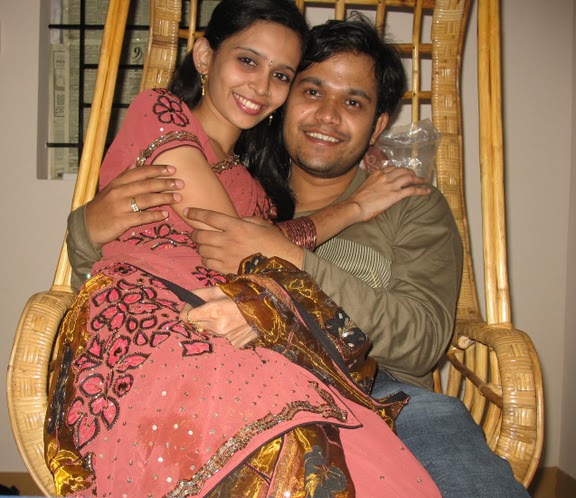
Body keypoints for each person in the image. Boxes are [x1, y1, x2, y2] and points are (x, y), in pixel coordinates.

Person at [46, 2, 441, 497]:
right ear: (205, 56)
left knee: (364, 461)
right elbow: (229, 238)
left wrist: (340, 208)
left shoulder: (252, 181)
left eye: (281, 75)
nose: (260, 86)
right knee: (299, 449)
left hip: (227, 332)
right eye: (248, 61)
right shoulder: (160, 111)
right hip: (155, 329)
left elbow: (256, 247)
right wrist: (353, 209)